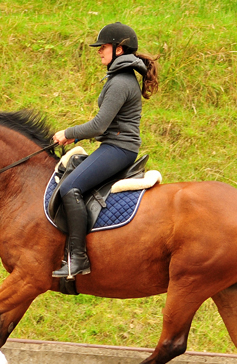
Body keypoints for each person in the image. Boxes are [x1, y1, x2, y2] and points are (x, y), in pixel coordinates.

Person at [52, 22, 160, 279]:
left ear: (119, 49)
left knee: (70, 188)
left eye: (103, 47)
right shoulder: (119, 78)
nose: (99, 51)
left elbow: (100, 124)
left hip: (118, 149)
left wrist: (68, 133)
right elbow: (108, 125)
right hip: (115, 144)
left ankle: (78, 258)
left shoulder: (121, 82)